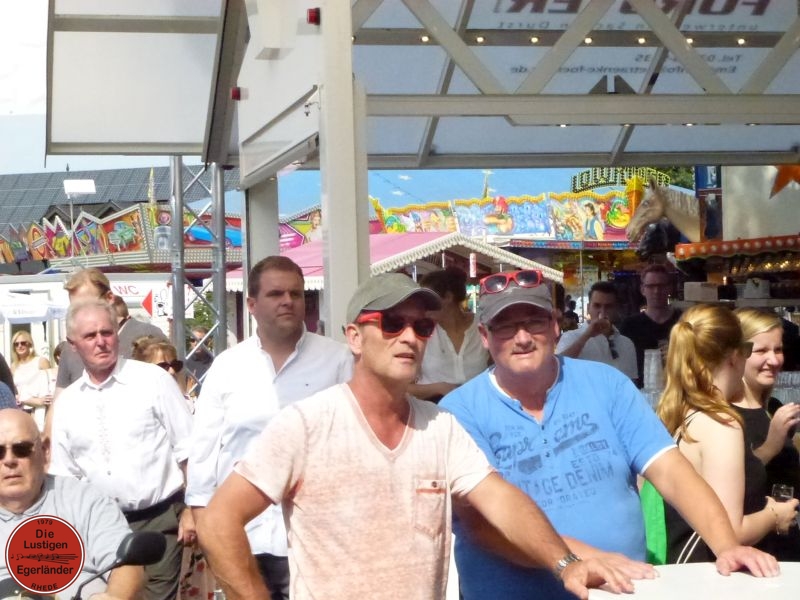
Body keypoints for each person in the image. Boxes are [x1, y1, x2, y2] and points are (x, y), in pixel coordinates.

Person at [194, 272, 659, 600]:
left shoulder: (440, 426)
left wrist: (565, 563)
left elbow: (501, 501)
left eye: (421, 326)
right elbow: (218, 522)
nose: (409, 336)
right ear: (354, 337)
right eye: (391, 323)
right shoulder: (307, 424)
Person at [439, 270, 779, 600]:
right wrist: (581, 559)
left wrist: (726, 545)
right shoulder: (459, 412)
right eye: (505, 327)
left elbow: (670, 470)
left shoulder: (606, 384)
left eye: (535, 322)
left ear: (555, 325)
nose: (523, 337)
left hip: (622, 590)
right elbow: (480, 523)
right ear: (485, 336)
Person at [187, 256, 352, 600]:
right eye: (276, 294)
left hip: (315, 537)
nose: (288, 301)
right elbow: (204, 451)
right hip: (243, 537)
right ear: (252, 305)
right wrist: (205, 525)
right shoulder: (227, 366)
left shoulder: (338, 361)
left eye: (296, 293)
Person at [49, 299, 194, 600]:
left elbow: (189, 449)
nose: (101, 341)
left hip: (158, 520)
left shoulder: (153, 380)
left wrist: (194, 509)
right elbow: (63, 477)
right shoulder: (68, 403)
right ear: (73, 345)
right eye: (90, 336)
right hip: (98, 528)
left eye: (107, 332)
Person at [656, 304, 798, 563]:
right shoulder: (721, 423)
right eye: (750, 350)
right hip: (711, 573)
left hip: (688, 569)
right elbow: (731, 532)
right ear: (735, 356)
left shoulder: (685, 412)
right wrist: (775, 515)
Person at [0, 409, 142, 599]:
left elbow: (126, 565)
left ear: (45, 451)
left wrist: (114, 596)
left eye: (22, 449)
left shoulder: (85, 500)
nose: (9, 460)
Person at [732, 307, 800, 560]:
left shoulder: (772, 408)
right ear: (737, 354)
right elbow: (728, 482)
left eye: (778, 350)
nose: (773, 360)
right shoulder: (725, 415)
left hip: (786, 547)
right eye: (761, 351)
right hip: (752, 557)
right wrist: (770, 447)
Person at [54, 269, 167, 397]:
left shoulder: (148, 335)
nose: (82, 313)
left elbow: (174, 385)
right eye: (75, 308)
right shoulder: (71, 347)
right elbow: (59, 398)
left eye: (89, 305)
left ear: (109, 298)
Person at [409, 267, 489, 402]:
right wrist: (439, 388)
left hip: (477, 406)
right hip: (433, 408)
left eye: (428, 300)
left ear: (448, 297)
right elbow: (403, 387)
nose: (422, 307)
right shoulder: (421, 331)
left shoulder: (482, 326)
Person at [556, 281, 637, 380]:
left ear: (616, 310)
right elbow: (557, 369)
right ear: (588, 308)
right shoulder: (571, 337)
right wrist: (586, 336)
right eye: (597, 306)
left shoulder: (627, 344)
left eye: (608, 307)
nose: (602, 312)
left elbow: (631, 383)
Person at [620, 263, 682, 388]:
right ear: (643, 289)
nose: (656, 291)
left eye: (661, 286)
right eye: (651, 286)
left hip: (678, 389)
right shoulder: (629, 326)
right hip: (639, 392)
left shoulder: (682, 321)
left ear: (669, 288)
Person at [10, 330, 51, 421]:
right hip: (21, 410)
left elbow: (51, 386)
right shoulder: (13, 367)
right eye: (16, 344)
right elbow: (14, 391)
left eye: (23, 343)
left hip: (39, 409)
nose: (20, 346)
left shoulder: (41, 361)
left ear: (30, 344)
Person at [184, 325, 213, 396]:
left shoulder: (214, 361)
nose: (196, 343)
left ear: (208, 342)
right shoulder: (184, 360)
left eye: (200, 340)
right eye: (192, 340)